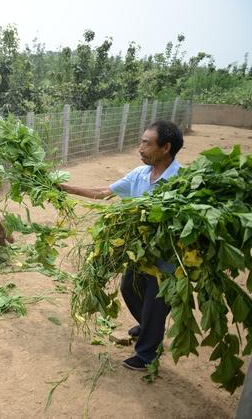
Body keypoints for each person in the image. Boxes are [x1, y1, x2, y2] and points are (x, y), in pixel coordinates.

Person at [61, 120, 184, 371]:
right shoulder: (139, 175)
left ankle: (147, 355)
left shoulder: (182, 182)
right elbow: (102, 192)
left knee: (156, 301)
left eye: (146, 143)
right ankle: (150, 326)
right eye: (141, 141)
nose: (140, 148)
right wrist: (62, 187)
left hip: (168, 260)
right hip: (141, 254)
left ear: (165, 148)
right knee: (129, 288)